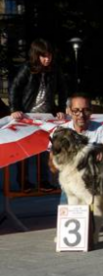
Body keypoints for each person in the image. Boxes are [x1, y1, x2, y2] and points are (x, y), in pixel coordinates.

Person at [55, 92, 103, 239]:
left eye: (86, 110)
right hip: (72, 179)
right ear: (68, 111)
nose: (81, 114)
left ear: (91, 111)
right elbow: (51, 157)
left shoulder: (99, 128)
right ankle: (68, 232)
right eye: (76, 110)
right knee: (67, 200)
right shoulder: (60, 132)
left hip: (97, 178)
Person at [9, 38, 67, 192]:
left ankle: (43, 181)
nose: (47, 59)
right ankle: (24, 182)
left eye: (49, 56)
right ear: (36, 56)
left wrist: (61, 108)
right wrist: (15, 108)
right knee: (25, 150)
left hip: (46, 117)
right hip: (26, 116)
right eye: (43, 56)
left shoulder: (55, 70)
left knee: (44, 149)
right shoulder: (27, 69)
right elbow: (15, 88)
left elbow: (63, 89)